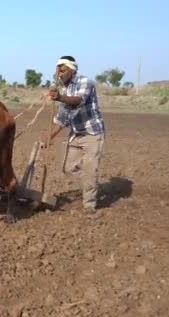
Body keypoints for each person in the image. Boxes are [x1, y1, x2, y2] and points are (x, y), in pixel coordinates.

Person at [41, 56, 105, 215]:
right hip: (76, 133)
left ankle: (89, 205)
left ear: (72, 70)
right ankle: (91, 182)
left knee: (90, 170)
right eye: (57, 70)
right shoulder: (65, 89)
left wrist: (59, 97)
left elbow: (78, 100)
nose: (59, 74)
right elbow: (63, 117)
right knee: (68, 168)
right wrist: (50, 136)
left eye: (62, 70)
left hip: (92, 133)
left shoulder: (86, 82)